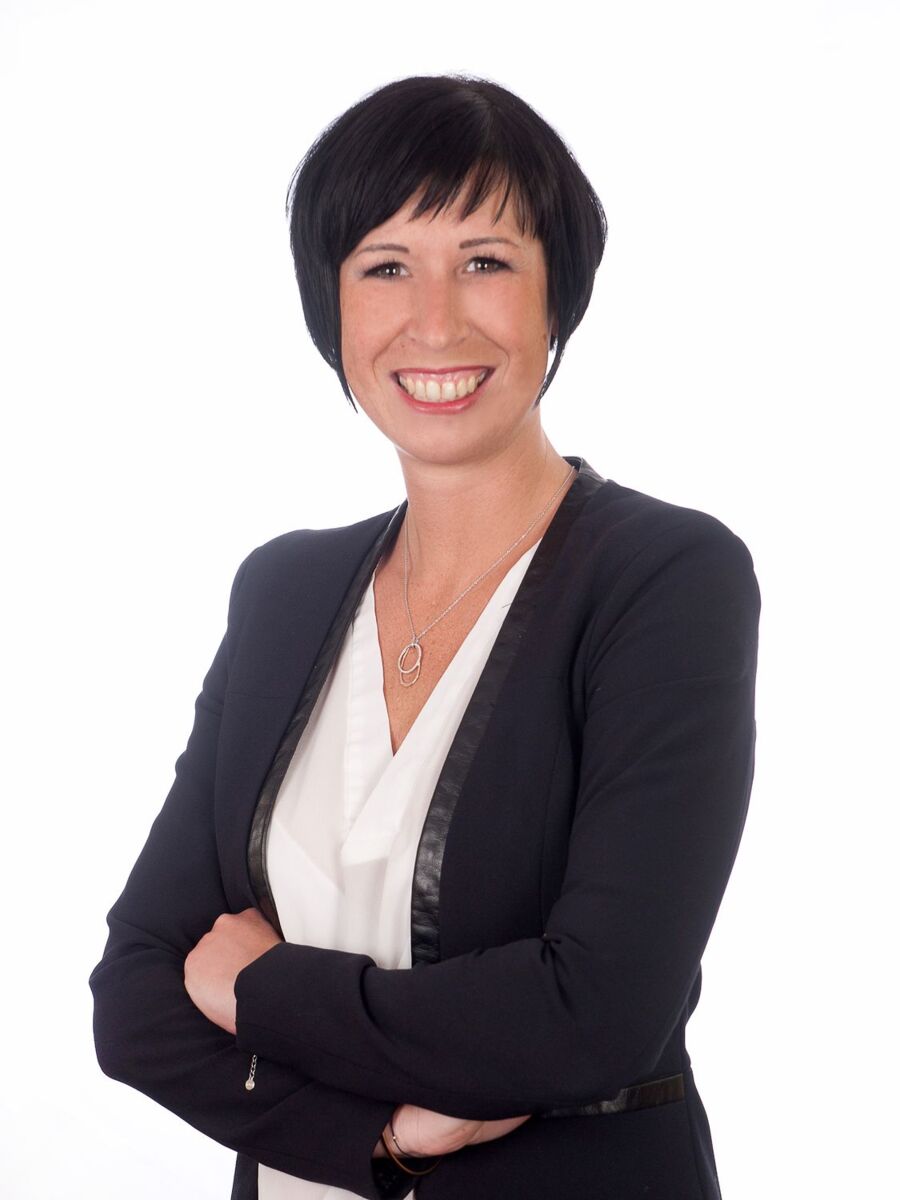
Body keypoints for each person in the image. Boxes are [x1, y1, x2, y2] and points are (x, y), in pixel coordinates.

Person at [89, 74, 760, 1200]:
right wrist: (389, 1134)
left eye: (485, 261)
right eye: (386, 266)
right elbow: (136, 998)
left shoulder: (665, 578)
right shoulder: (284, 589)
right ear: (332, 306)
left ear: (558, 295)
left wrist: (262, 992)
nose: (436, 321)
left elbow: (594, 1015)